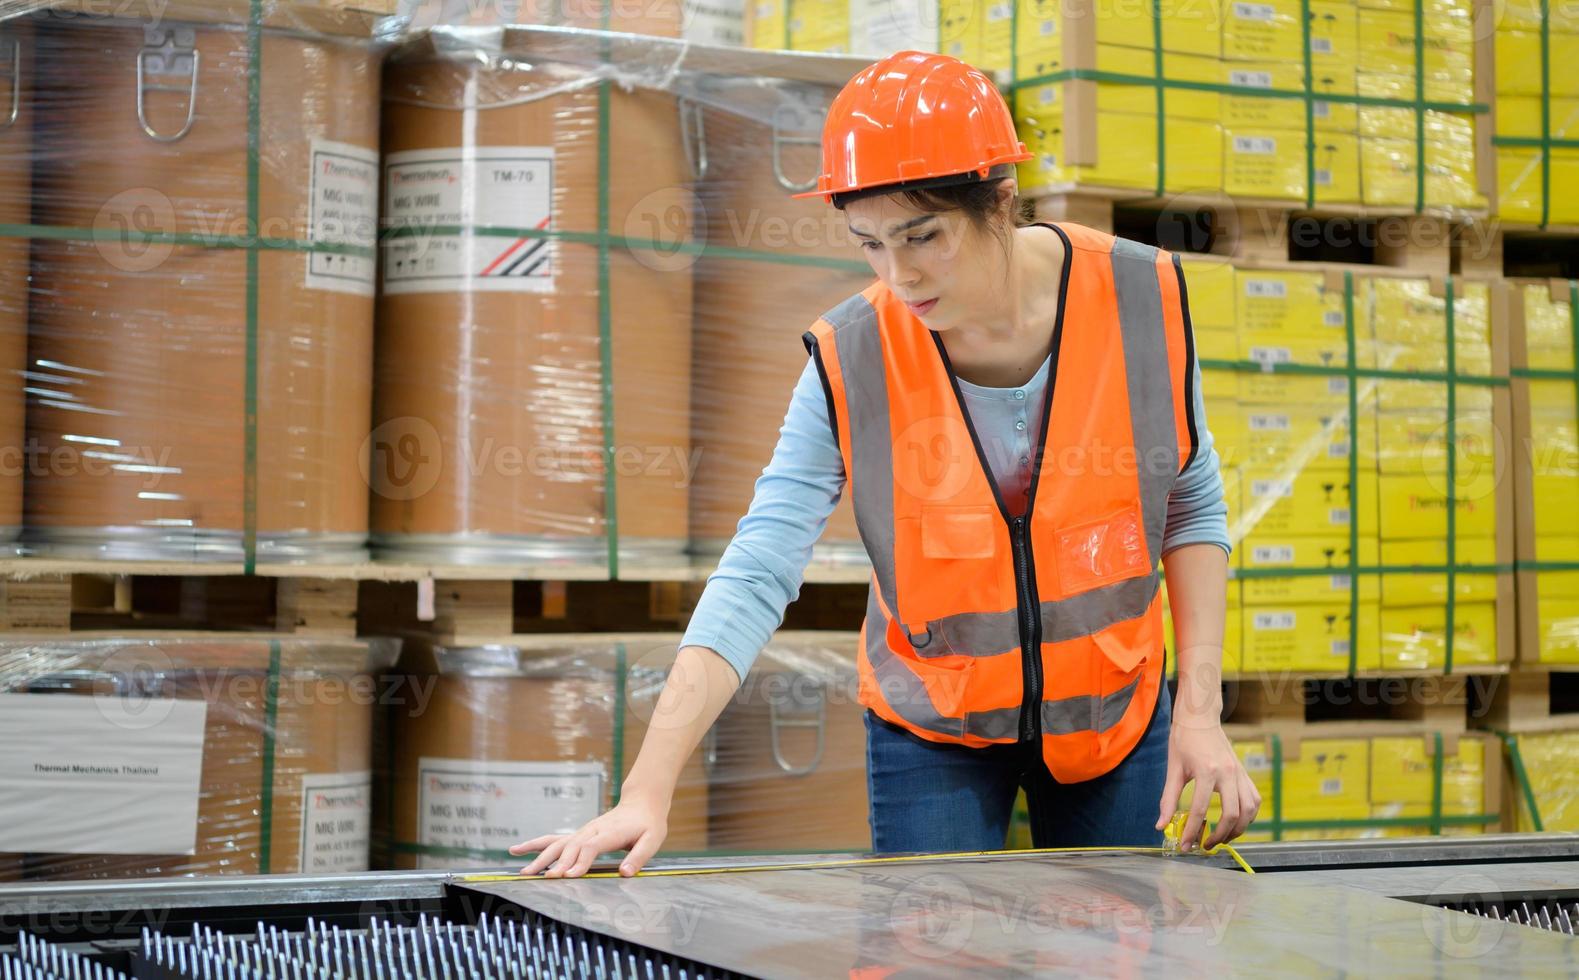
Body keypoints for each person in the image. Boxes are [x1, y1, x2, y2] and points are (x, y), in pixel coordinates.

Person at [511, 50, 1259, 879]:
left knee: (1116, 953)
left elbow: (1188, 502)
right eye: (868, 243)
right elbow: (759, 567)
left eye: (923, 235)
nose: (898, 274)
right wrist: (646, 790)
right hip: (931, 724)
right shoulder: (853, 356)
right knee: (932, 955)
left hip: (1114, 713)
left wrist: (1197, 710)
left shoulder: (1139, 298)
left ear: (999, 202)